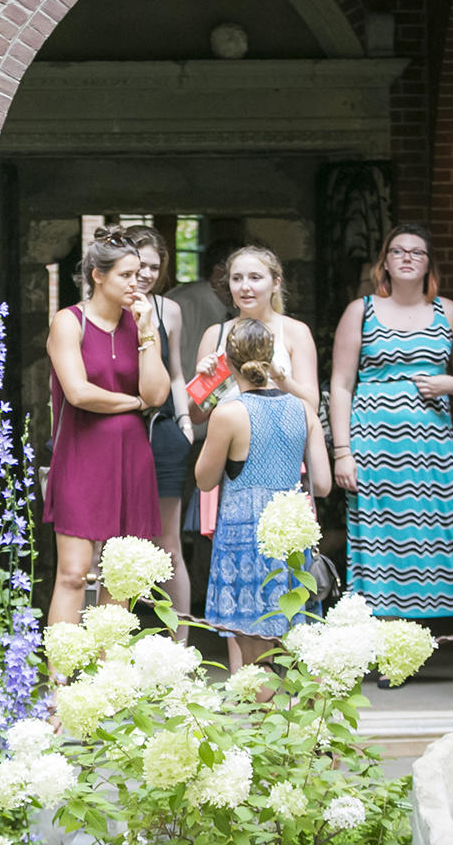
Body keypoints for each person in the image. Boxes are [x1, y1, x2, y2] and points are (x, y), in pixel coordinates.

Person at [327, 225, 453, 687]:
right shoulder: (361, 312)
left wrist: (452, 385)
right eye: (397, 251)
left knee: (450, 544)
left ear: (428, 263)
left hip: (431, 451)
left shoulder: (448, 313)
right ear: (384, 262)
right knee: (379, 549)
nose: (406, 258)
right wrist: (342, 452)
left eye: (416, 252)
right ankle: (388, 658)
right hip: (373, 447)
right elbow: (340, 385)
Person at [186, 245, 321, 671]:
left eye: (255, 277)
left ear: (275, 282)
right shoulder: (215, 333)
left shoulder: (295, 332)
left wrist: (282, 379)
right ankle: (244, 684)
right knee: (236, 578)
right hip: (231, 464)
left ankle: (268, 688)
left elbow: (311, 406)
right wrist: (204, 380)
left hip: (279, 469)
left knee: (277, 579)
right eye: (237, 278)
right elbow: (197, 414)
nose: (245, 286)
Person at [45, 227, 170, 629]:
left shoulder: (141, 325)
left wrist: (148, 331)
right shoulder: (69, 322)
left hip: (131, 456)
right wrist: (133, 404)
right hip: (81, 455)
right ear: (98, 276)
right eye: (126, 275)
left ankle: (105, 680)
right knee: (74, 572)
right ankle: (63, 682)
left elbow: (157, 392)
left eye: (141, 274)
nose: (138, 283)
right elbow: (79, 393)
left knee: (121, 579)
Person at [128, 227, 195, 630]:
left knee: (169, 547)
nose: (148, 274)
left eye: (155, 266)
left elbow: (176, 373)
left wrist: (185, 422)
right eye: (140, 265)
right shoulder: (100, 308)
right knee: (116, 545)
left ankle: (181, 644)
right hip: (119, 429)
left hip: (162, 430)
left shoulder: (169, 309)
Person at [166, 254, 233, 385]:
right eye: (236, 277)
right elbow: (176, 363)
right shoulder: (184, 304)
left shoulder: (234, 307)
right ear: (218, 272)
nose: (244, 286)